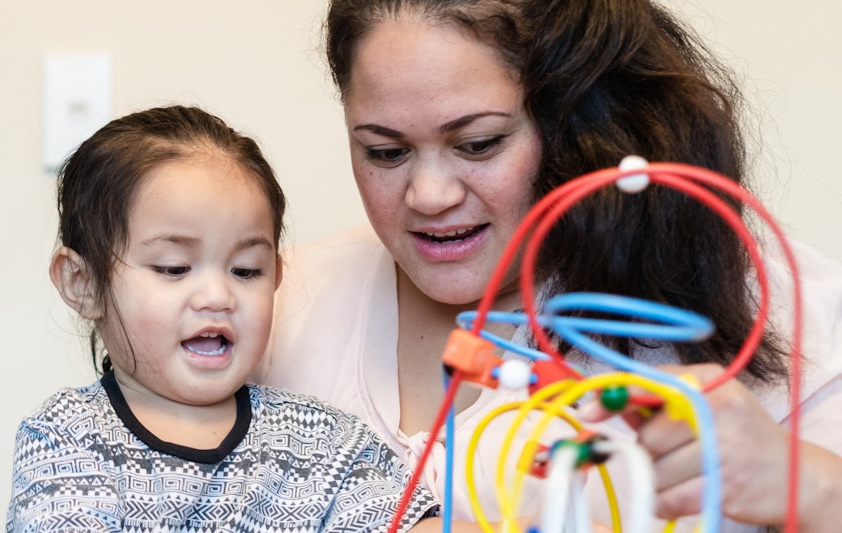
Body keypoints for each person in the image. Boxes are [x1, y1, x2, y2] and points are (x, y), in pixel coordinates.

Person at [260, 0, 842, 531]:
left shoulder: (780, 311)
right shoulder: (268, 308)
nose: (429, 195)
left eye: (479, 143)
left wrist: (814, 487)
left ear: (578, 124)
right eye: (385, 152)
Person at [7, 105, 452, 531]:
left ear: (276, 276)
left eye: (246, 271)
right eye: (173, 269)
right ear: (82, 283)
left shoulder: (320, 438)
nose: (218, 296)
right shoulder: (68, 436)